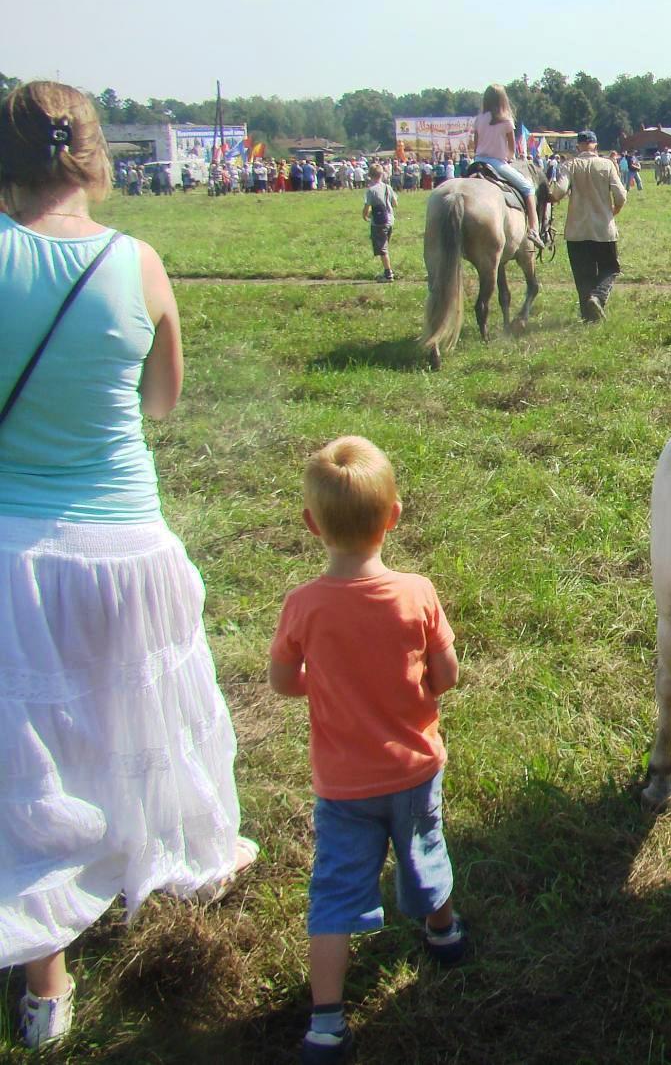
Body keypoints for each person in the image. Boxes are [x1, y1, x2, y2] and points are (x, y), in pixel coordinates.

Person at [0, 82, 251, 1051]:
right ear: (96, 158)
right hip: (128, 546)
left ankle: (44, 979)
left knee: (29, 754)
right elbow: (164, 402)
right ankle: (157, 868)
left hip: (17, 553)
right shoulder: (136, 263)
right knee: (135, 716)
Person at [269, 436, 467, 1064]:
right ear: (395, 515)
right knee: (423, 849)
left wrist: (318, 683)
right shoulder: (417, 593)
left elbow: (281, 684)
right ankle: (443, 933)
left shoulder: (302, 606)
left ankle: (326, 1022)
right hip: (412, 769)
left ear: (308, 524)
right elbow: (447, 675)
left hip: (341, 783)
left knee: (334, 889)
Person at [560, 129, 628, 322]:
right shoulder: (607, 165)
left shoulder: (569, 166)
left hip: (576, 230)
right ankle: (597, 297)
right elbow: (621, 196)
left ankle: (588, 316)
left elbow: (559, 191)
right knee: (610, 269)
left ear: (578, 146)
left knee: (583, 275)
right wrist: (614, 210)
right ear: (595, 144)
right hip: (602, 229)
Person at [471, 85, 540, 242]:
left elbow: (475, 144)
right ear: (503, 99)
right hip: (496, 163)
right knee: (528, 188)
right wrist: (509, 158)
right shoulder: (506, 121)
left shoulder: (479, 119)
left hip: (477, 161)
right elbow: (511, 148)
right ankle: (534, 229)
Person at [362, 162, 398, 282]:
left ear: (370, 175)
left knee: (382, 249)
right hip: (390, 220)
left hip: (379, 222)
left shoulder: (371, 190)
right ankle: (388, 270)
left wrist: (365, 216)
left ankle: (388, 273)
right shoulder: (388, 187)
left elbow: (367, 207)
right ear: (382, 175)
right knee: (385, 246)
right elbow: (395, 204)